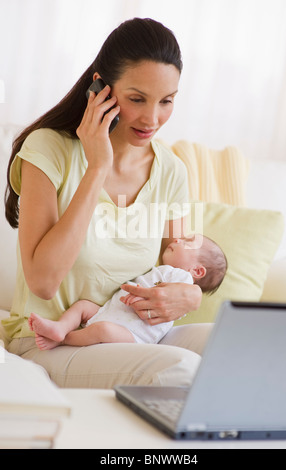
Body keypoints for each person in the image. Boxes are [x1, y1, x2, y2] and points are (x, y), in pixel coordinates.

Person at [3, 18, 214, 389]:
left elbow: (185, 259)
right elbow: (43, 282)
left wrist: (192, 296)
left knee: (235, 347)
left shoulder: (172, 172)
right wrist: (97, 166)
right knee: (179, 368)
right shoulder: (48, 149)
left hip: (134, 336)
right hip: (52, 340)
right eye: (137, 99)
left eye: (166, 101)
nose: (152, 119)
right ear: (101, 89)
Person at [28, 235, 227, 350]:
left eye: (188, 242)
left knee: (102, 330)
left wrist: (141, 295)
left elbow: (162, 298)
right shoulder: (161, 270)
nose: (177, 238)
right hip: (113, 312)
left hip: (133, 334)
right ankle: (60, 327)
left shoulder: (182, 280)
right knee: (84, 306)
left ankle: (64, 338)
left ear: (197, 271)